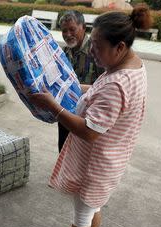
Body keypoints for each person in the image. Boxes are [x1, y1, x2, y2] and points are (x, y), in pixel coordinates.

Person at [29, 5, 152, 227]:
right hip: (112, 158)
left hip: (97, 162)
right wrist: (70, 88)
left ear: (119, 47)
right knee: (94, 207)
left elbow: (89, 131)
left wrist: (54, 106)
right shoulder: (132, 66)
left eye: (97, 46)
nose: (92, 51)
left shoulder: (117, 84)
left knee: (83, 213)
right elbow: (98, 89)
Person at [58, 10, 104, 152]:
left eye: (72, 29)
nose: (68, 34)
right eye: (64, 31)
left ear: (83, 27)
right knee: (64, 149)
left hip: (89, 119)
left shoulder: (98, 51)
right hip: (66, 114)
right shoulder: (63, 52)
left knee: (83, 154)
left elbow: (105, 87)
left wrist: (76, 88)